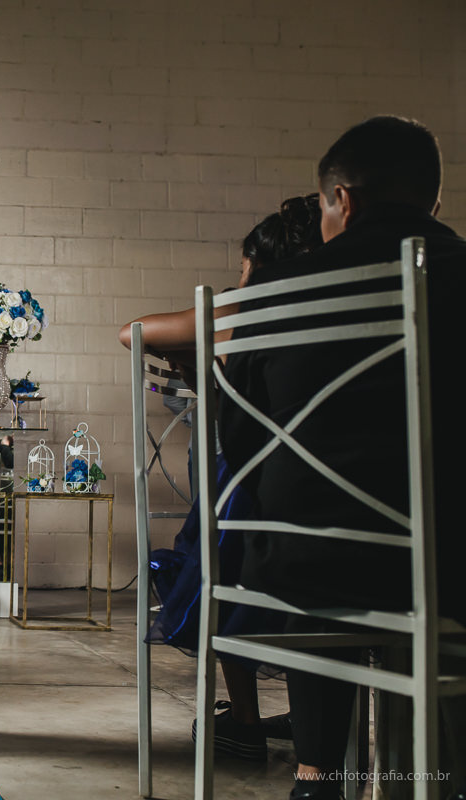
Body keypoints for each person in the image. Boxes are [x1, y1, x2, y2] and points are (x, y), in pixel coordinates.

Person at [220, 117, 466, 800]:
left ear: (342, 202)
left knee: (315, 527)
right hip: (446, 563)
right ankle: (434, 777)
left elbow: (235, 443)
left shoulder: (275, 292)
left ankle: (319, 778)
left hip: (303, 563)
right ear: (433, 207)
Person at [118, 196, 323, 761]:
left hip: (251, 509)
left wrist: (198, 356)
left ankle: (246, 721)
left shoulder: (240, 310)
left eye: (243, 267)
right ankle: (317, 718)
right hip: (332, 511)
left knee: (221, 524)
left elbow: (131, 332)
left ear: (260, 264)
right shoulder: (339, 314)